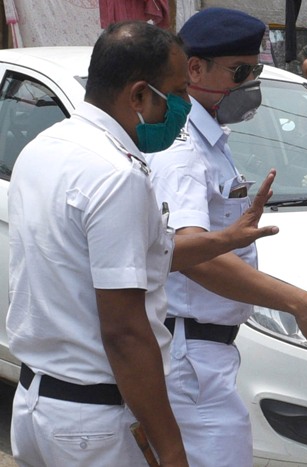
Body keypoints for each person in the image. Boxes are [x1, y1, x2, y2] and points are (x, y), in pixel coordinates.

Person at [8, 21, 280, 467]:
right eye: (175, 92)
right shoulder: (117, 176)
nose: (184, 105)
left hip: (37, 406)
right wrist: (171, 448)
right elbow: (125, 333)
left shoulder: (44, 147)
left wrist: (224, 240)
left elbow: (130, 255)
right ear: (138, 95)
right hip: (93, 423)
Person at [146, 8, 307, 466]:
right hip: (188, 355)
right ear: (194, 70)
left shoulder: (209, 137)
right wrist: (299, 302)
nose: (250, 84)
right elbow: (191, 254)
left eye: (255, 70)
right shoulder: (182, 151)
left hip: (203, 352)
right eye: (241, 72)